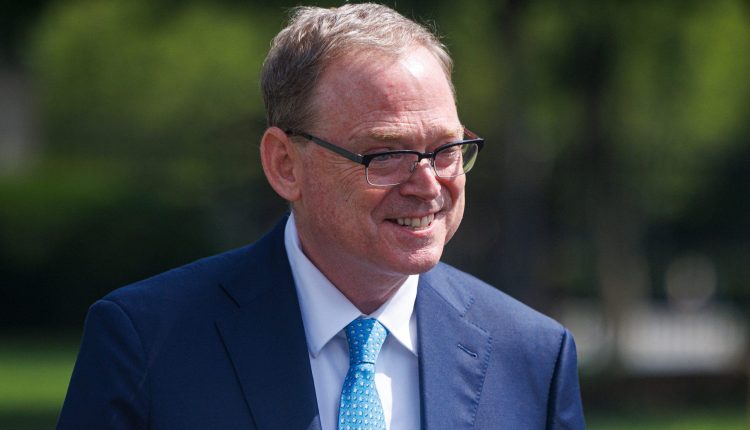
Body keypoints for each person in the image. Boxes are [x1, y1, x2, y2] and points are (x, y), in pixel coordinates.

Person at [56, 3, 585, 429]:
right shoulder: (148, 343)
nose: (428, 184)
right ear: (285, 165)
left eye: (446, 149)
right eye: (386, 154)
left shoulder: (533, 356)